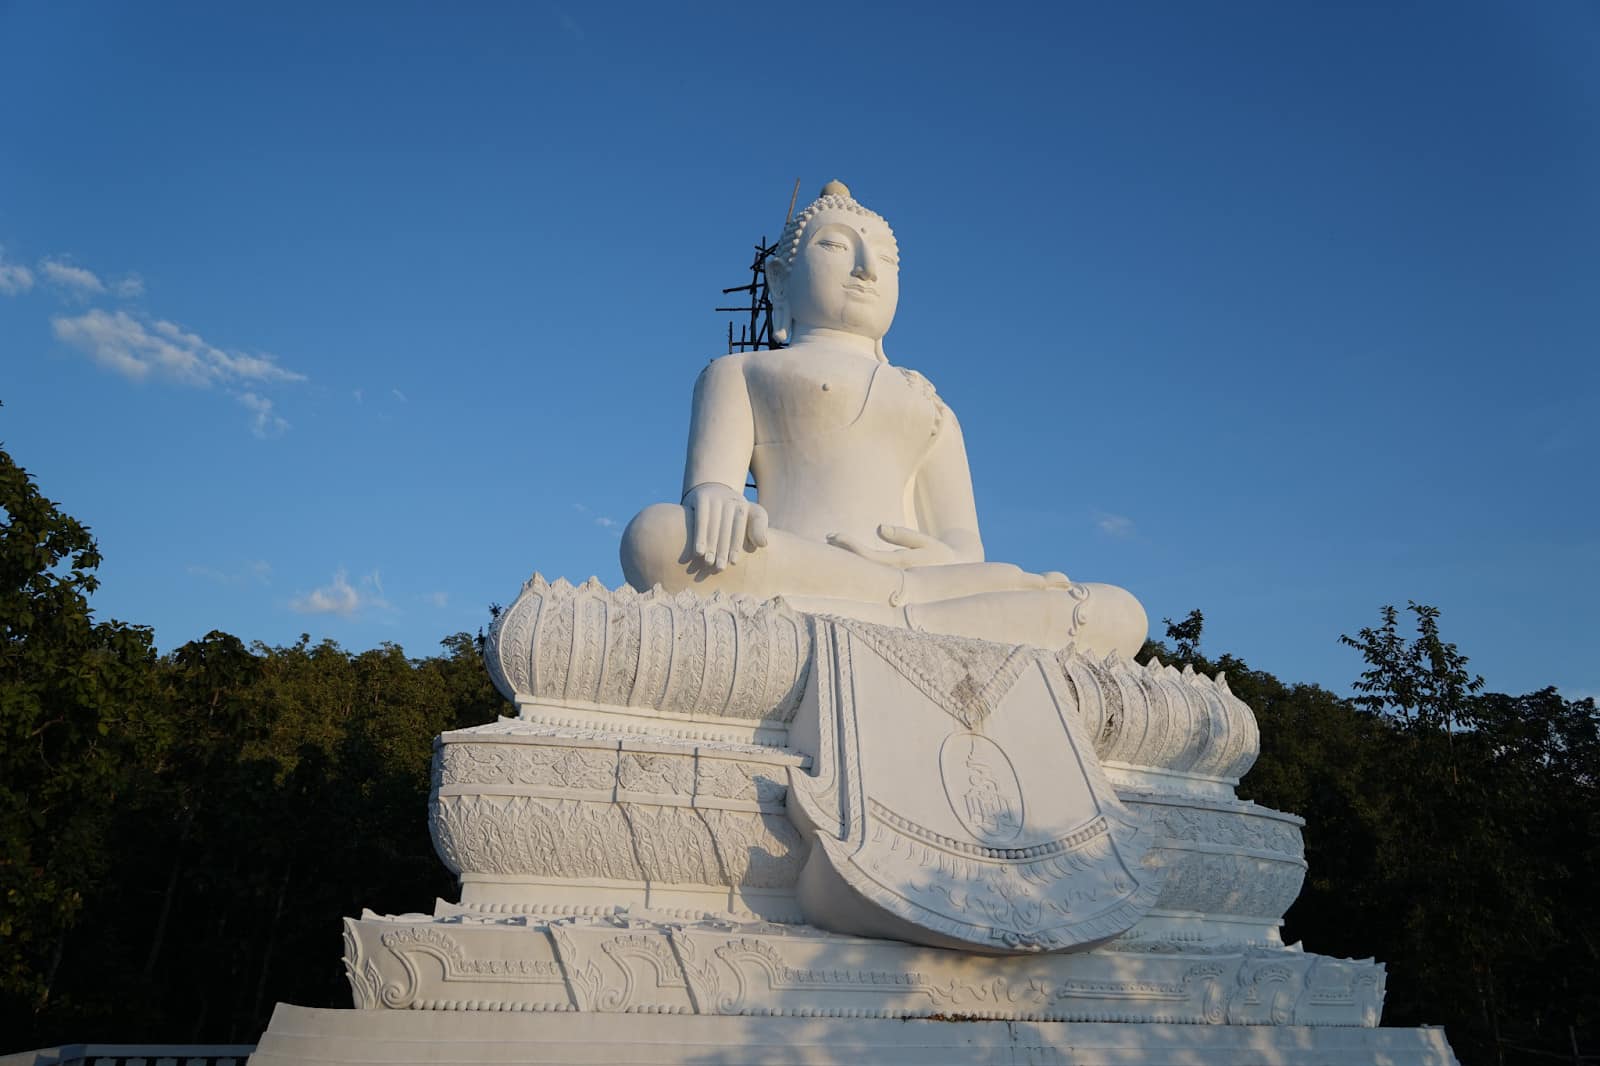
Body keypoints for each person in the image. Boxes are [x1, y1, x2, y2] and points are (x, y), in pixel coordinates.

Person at [621, 182, 1146, 658]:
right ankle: (917, 618)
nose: (867, 269)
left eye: (887, 258)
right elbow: (712, 491)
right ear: (779, 280)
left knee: (1121, 613)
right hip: (806, 561)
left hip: (913, 580)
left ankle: (876, 613)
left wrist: (930, 567)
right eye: (836, 246)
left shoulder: (928, 402)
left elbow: (965, 547)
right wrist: (715, 496)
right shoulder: (741, 371)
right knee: (659, 536)